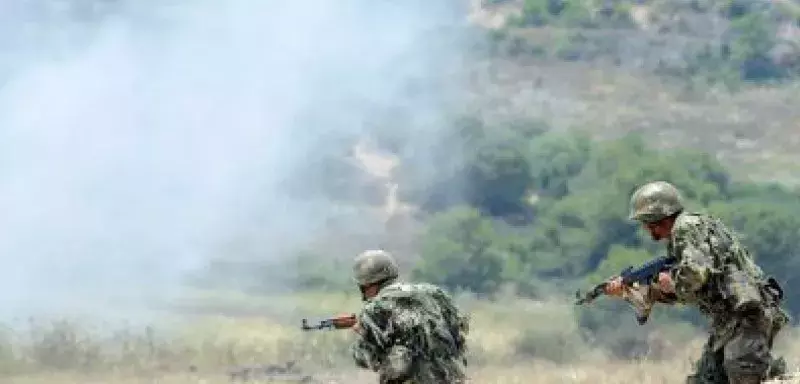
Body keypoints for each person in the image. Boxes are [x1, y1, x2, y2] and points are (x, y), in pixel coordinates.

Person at [605, 180, 790, 384]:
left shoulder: (686, 228)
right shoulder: (689, 233)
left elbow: (695, 275)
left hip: (746, 317)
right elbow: (695, 288)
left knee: (744, 374)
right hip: (730, 322)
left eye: (647, 224)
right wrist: (641, 291)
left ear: (657, 219)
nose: (648, 230)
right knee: (706, 379)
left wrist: (671, 282)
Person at [348, 249, 469, 384]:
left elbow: (365, 359)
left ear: (368, 284)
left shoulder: (375, 308)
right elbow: (459, 333)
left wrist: (362, 332)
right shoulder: (434, 294)